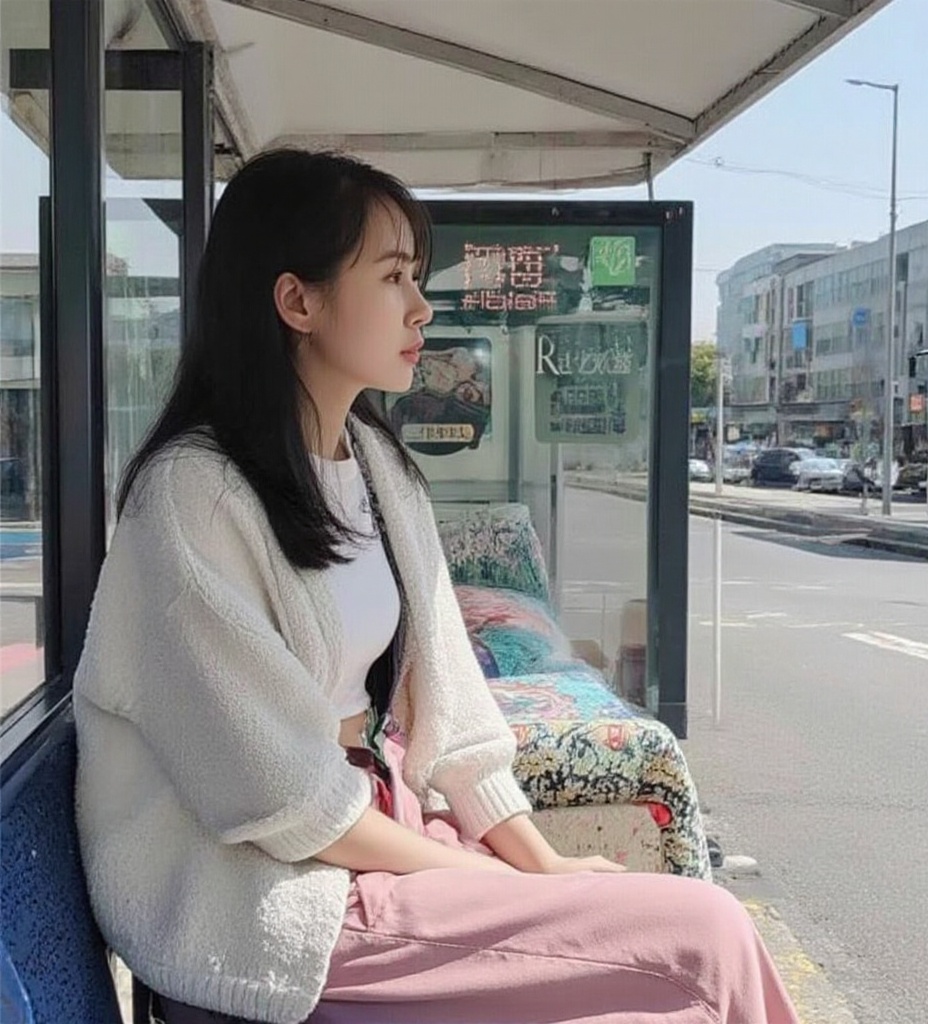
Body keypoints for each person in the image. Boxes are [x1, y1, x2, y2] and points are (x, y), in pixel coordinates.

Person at [73, 149, 799, 1024]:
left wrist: (545, 868)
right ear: (297, 300)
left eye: (417, 276)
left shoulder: (378, 467)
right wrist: (495, 882)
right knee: (704, 939)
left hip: (376, 836)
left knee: (670, 995)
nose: (422, 307)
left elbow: (453, 713)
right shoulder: (190, 498)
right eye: (392, 278)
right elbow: (281, 796)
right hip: (271, 902)